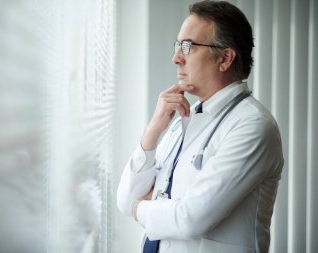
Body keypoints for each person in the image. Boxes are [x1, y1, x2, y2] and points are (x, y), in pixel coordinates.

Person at [117, 1, 284, 253]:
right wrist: (153, 131)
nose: (176, 58)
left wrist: (137, 207)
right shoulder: (181, 118)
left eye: (188, 46)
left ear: (225, 58)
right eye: (177, 45)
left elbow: (190, 219)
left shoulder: (253, 126)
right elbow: (124, 196)